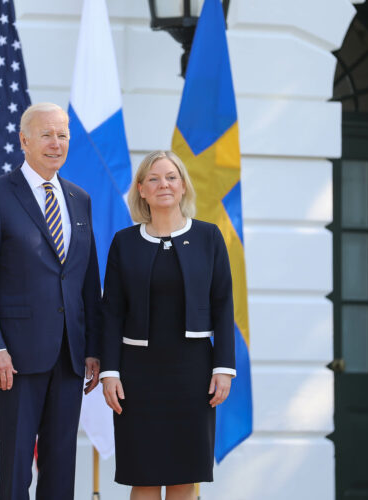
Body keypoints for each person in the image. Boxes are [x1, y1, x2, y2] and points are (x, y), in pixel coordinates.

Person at [0, 102, 102, 500]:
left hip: (71, 357)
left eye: (62, 135)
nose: (55, 143)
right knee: (16, 470)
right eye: (46, 134)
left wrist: (92, 348)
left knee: (61, 468)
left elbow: (86, 281)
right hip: (14, 359)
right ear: (24, 140)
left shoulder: (80, 199)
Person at [100, 150, 236, 500]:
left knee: (183, 477)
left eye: (171, 177)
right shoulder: (124, 242)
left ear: (183, 186)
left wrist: (223, 368)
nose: (164, 185)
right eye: (155, 178)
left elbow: (223, 305)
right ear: (141, 190)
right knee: (143, 476)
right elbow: (112, 312)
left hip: (193, 372)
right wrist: (109, 372)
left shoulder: (209, 238)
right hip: (137, 377)